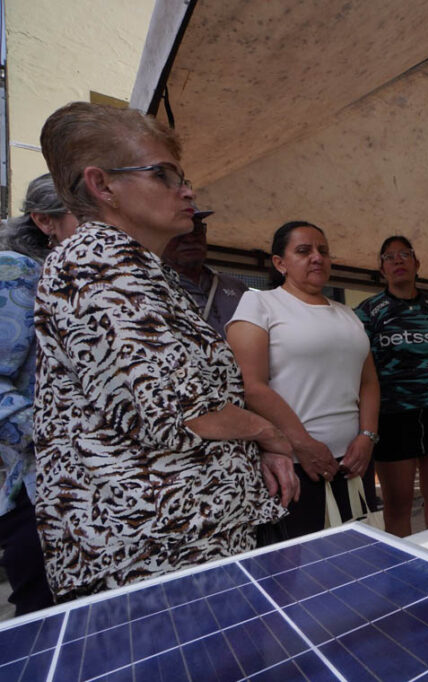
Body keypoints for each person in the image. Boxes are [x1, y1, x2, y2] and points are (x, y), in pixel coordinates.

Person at [35, 102, 297, 600]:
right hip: (148, 558)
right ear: (102, 184)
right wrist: (270, 434)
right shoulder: (96, 263)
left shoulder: (137, 267)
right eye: (163, 175)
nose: (188, 191)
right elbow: (182, 411)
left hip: (181, 547)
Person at [227, 221, 379, 540]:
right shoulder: (259, 304)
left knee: (358, 559)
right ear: (279, 263)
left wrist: (367, 437)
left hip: (354, 464)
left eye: (323, 250)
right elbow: (251, 386)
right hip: (296, 468)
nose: (317, 257)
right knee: (305, 573)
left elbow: (368, 383)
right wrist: (302, 443)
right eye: (303, 250)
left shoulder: (348, 314)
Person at [0, 174, 77, 615]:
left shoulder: (74, 273)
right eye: (81, 215)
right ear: (44, 221)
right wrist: (48, 434)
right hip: (43, 494)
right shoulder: (15, 271)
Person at [355, 236, 428, 537]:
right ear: (381, 269)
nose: (397, 261)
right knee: (398, 504)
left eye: (404, 254)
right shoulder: (368, 311)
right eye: (389, 257)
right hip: (392, 414)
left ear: (416, 263)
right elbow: (361, 370)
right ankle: (404, 574)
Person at [162, 210, 249, 338]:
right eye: (180, 231)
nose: (191, 238)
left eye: (196, 229)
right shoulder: (153, 288)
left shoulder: (236, 286)